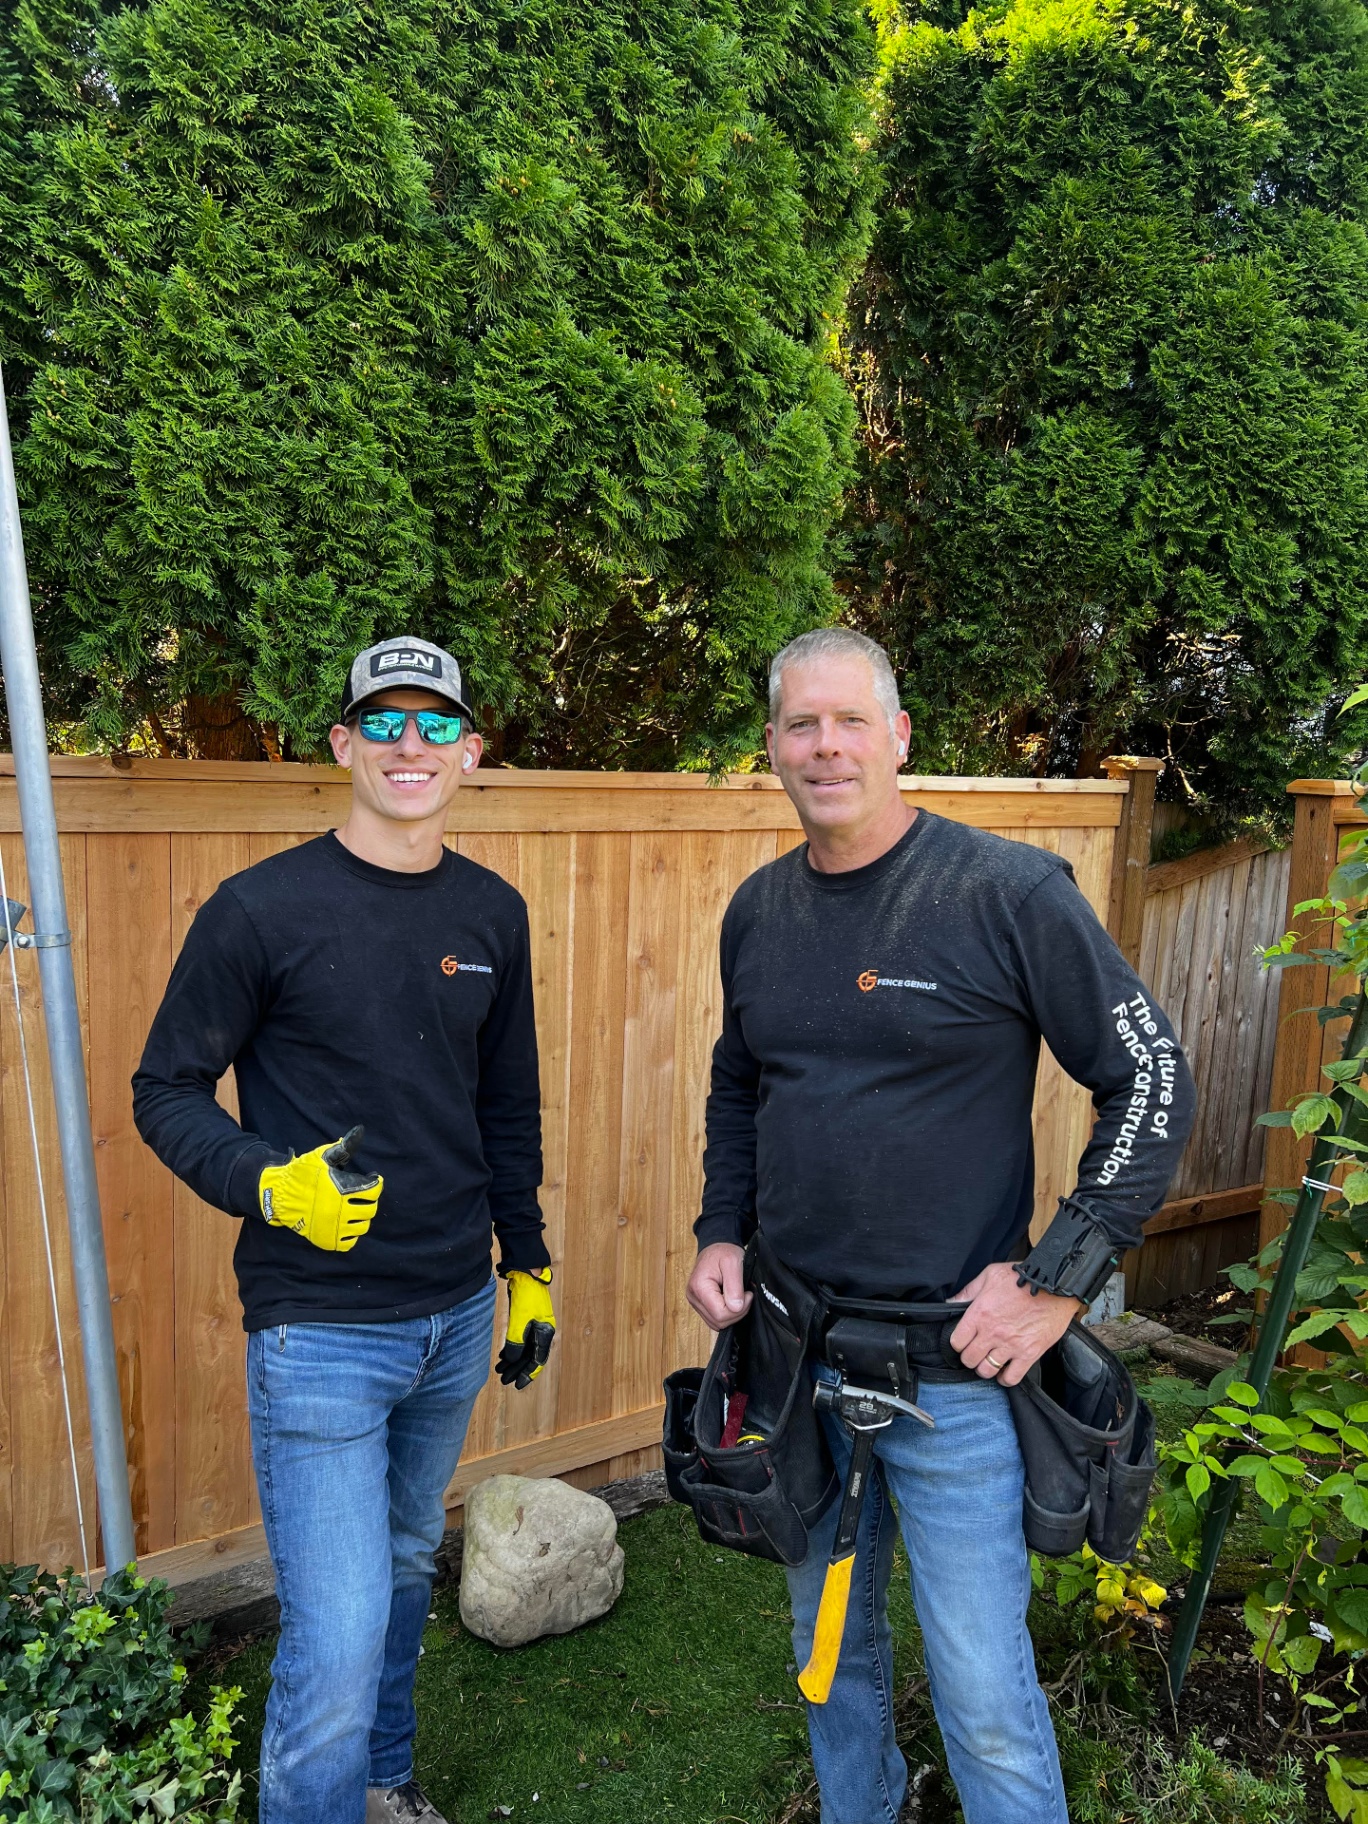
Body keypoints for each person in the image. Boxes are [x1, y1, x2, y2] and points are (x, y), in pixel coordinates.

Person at [685, 627, 1196, 1824]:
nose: (826, 745)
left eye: (851, 720)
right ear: (772, 746)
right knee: (829, 1663)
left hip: (955, 1370)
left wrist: (1061, 1278)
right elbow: (736, 1081)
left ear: (900, 737)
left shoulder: (1004, 894)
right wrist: (720, 1230)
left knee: (981, 1691)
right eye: (801, 723)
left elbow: (1152, 1078)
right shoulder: (757, 913)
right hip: (796, 1355)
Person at [133, 637, 556, 1824]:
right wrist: (269, 1184)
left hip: (456, 1314)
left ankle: (382, 1781)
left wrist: (525, 1263)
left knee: (409, 1564)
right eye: (383, 723)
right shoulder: (259, 910)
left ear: (470, 753)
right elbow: (163, 1090)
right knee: (339, 1620)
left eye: (433, 727)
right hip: (319, 1331)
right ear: (342, 746)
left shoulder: (493, 913)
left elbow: (503, 1106)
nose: (407, 747)